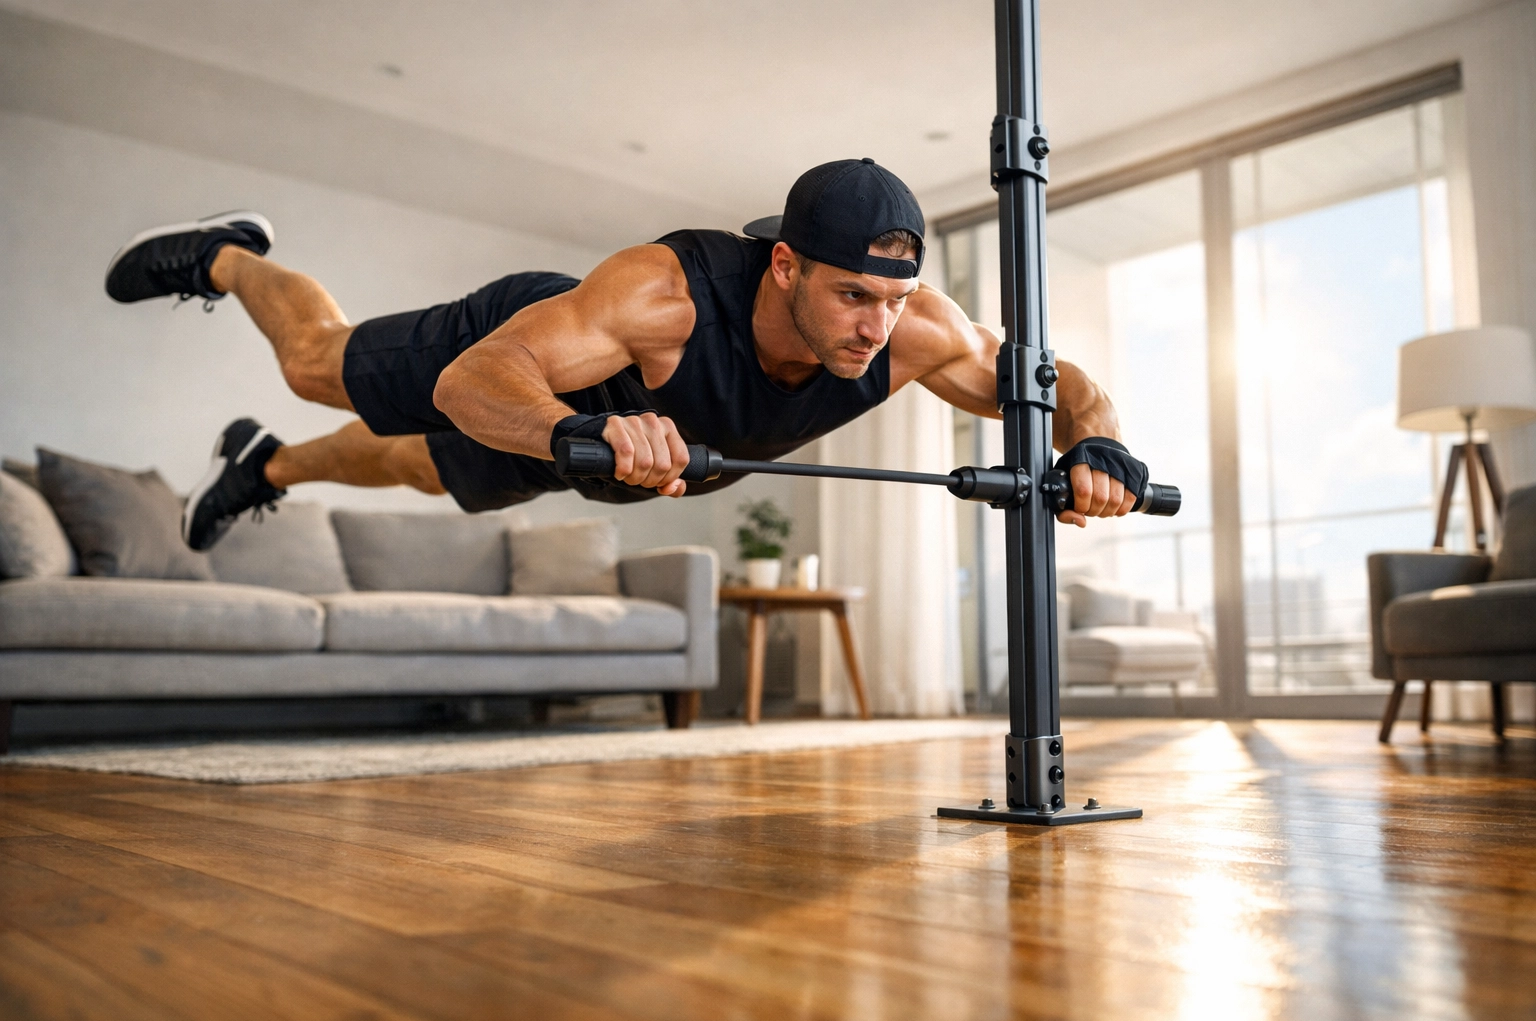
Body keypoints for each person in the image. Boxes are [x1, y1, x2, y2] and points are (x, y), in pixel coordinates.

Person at [104, 159, 1147, 550]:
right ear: (785, 265)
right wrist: (580, 427)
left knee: (423, 469)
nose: (876, 327)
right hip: (537, 365)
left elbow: (1054, 382)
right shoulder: (663, 294)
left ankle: (265, 467)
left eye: (894, 299)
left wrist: (1098, 444)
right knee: (315, 366)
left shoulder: (914, 334)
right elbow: (473, 384)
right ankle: (229, 255)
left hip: (606, 450)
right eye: (852, 296)